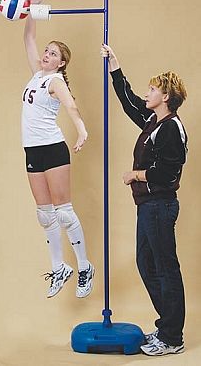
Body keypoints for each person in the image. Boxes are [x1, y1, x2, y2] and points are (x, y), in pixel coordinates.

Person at [100, 43, 187, 356]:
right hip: (148, 207)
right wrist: (115, 66)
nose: (147, 93)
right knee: (147, 262)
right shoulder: (154, 123)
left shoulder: (171, 127)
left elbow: (165, 173)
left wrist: (135, 174)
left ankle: (172, 338)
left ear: (165, 96)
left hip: (160, 206)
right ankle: (167, 328)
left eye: (152, 89)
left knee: (165, 267)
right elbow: (130, 103)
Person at [22, 0, 94, 299]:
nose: (46, 55)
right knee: (44, 213)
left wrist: (81, 131)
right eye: (47, 51)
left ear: (61, 63)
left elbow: (71, 106)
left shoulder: (54, 81)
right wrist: (32, 8)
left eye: (53, 54)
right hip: (32, 150)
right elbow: (28, 38)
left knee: (63, 210)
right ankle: (60, 267)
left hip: (52, 148)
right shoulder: (36, 75)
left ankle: (84, 266)